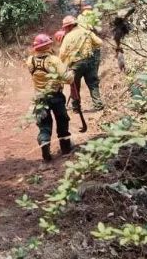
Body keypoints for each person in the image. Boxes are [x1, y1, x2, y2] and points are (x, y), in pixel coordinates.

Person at [27, 33, 75, 162]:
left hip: (40, 98)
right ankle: (66, 148)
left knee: (44, 125)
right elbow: (66, 78)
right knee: (62, 121)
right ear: (48, 46)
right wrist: (72, 73)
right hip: (56, 97)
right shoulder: (54, 60)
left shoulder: (30, 60)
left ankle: (44, 143)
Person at [59, 15, 104, 112]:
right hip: (90, 62)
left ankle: (76, 108)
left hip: (76, 65)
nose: (65, 29)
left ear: (70, 26)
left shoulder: (68, 37)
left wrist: (62, 65)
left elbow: (62, 54)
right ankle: (98, 105)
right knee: (93, 83)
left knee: (74, 86)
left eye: (65, 27)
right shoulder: (87, 32)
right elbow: (99, 42)